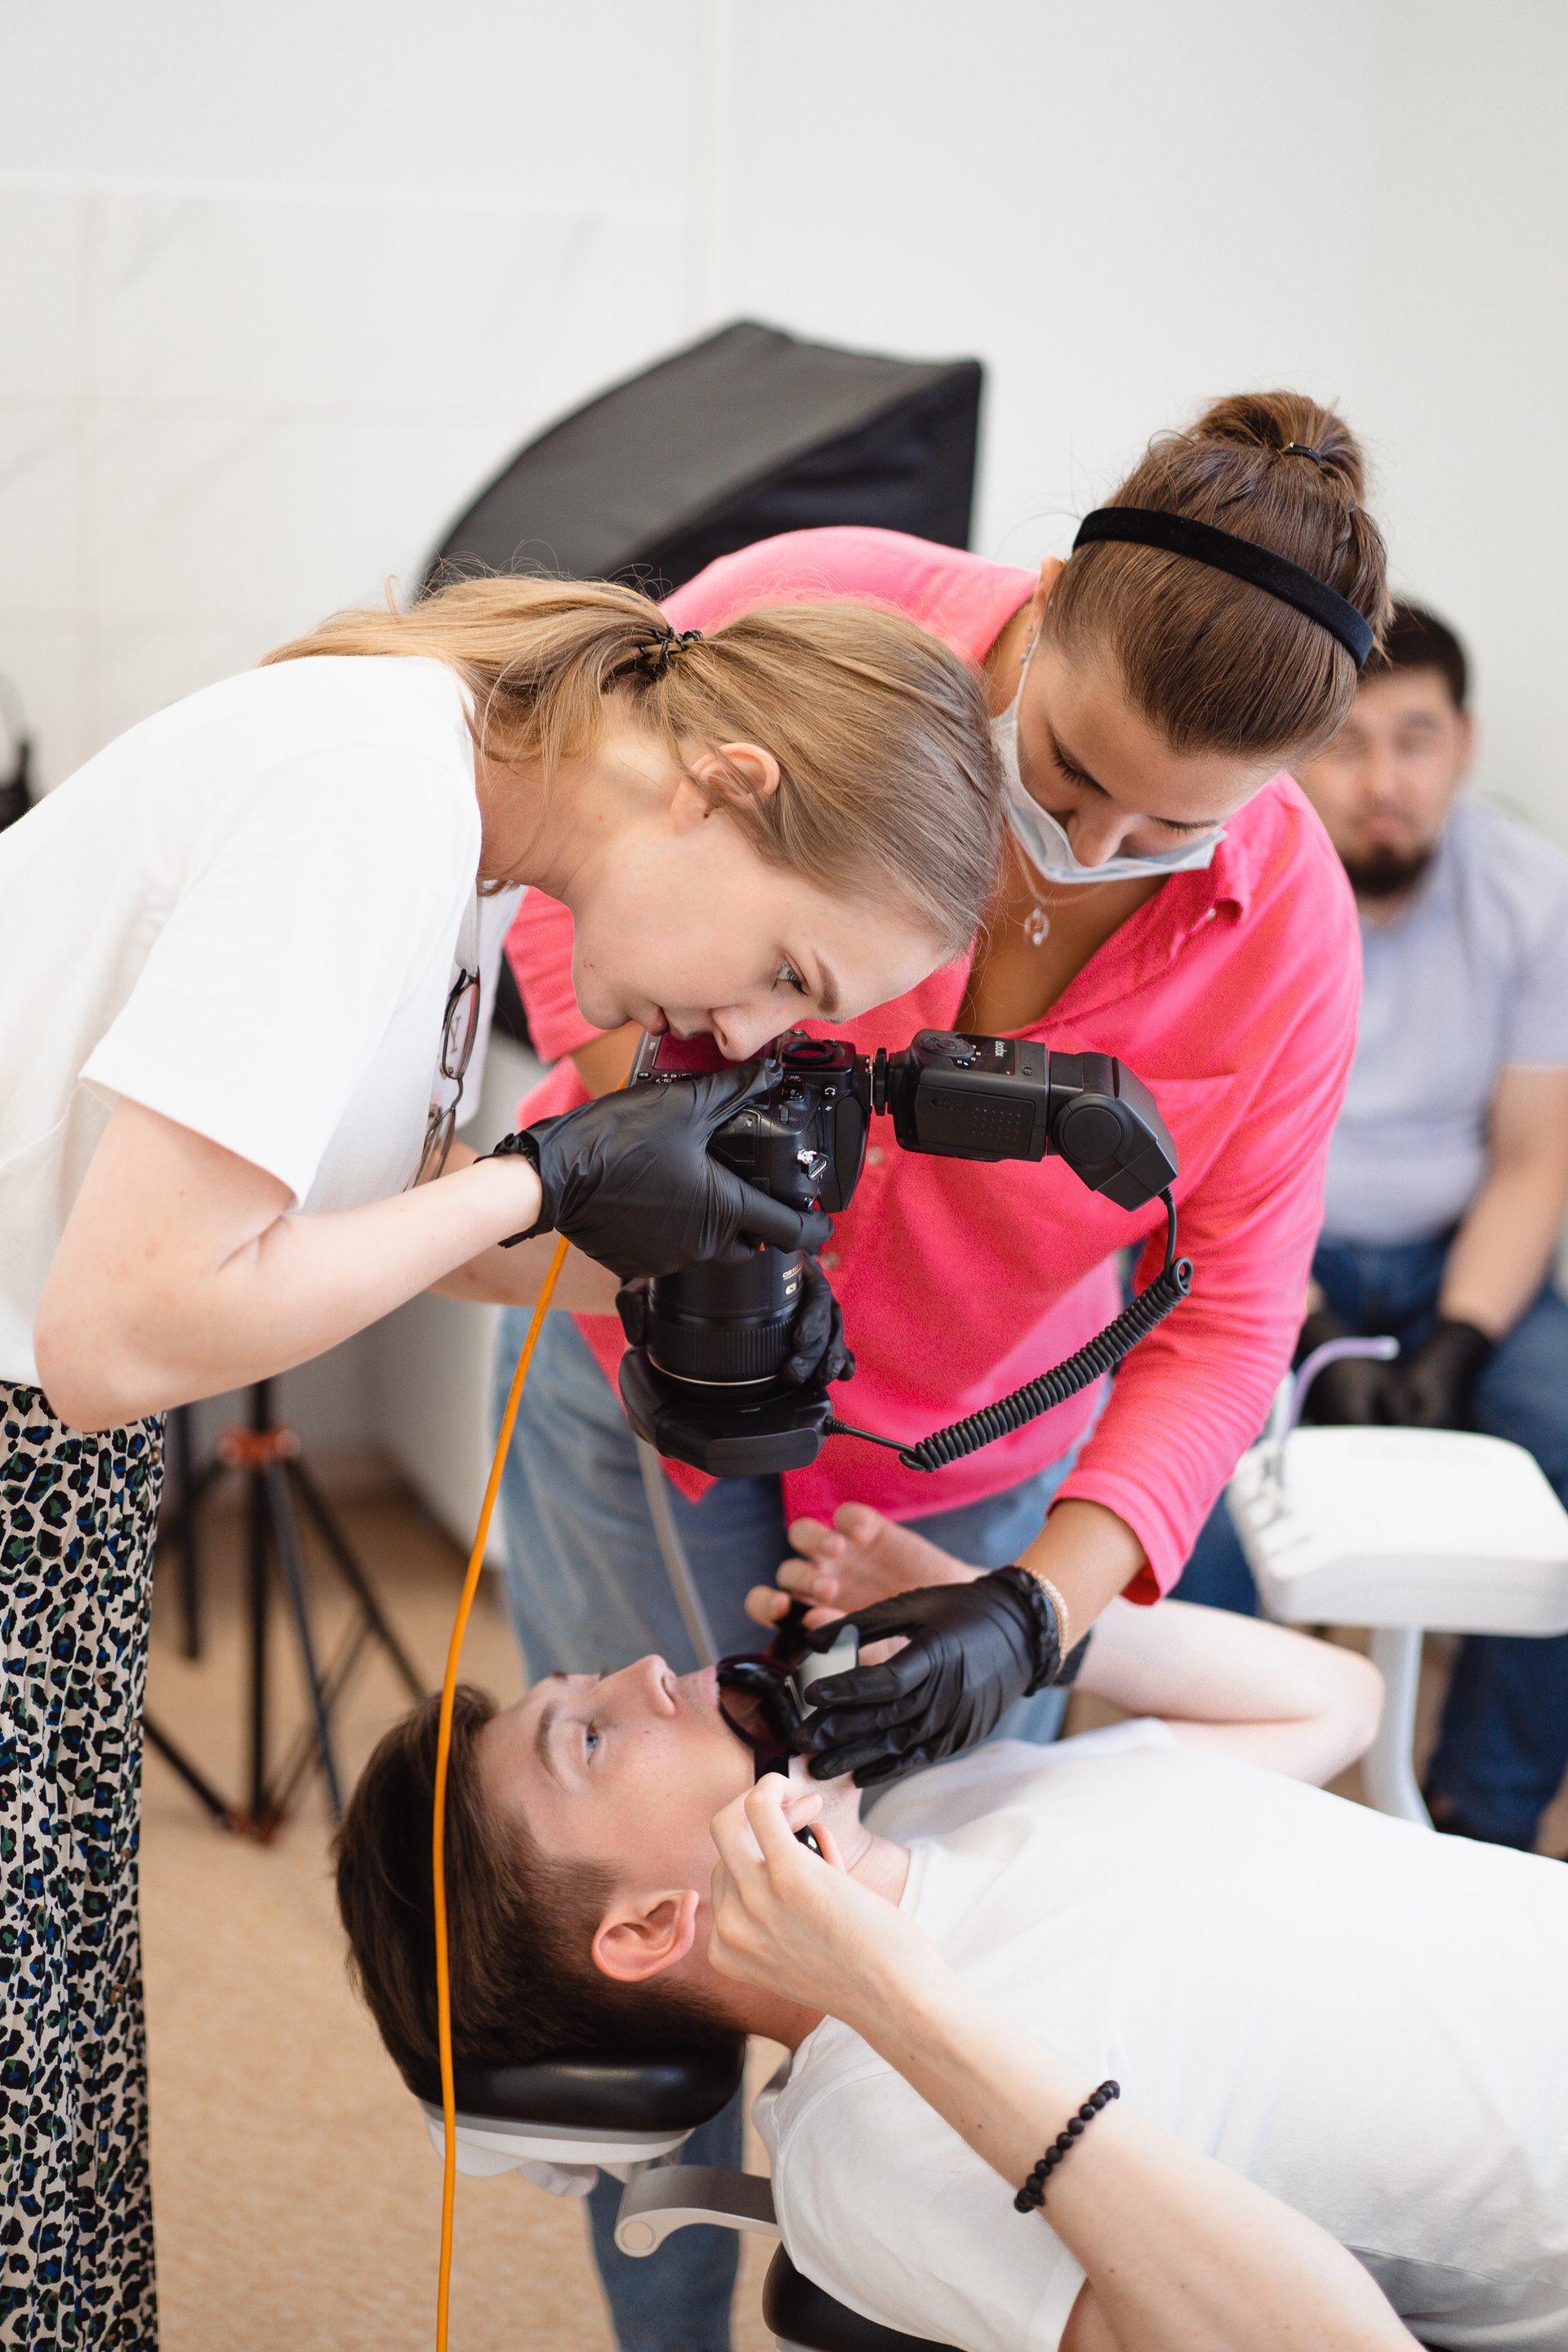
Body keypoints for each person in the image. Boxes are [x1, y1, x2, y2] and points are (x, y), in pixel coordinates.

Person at [0, 580, 1004, 2342]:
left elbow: (346, 1224)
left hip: (54, 1458)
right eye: (789, 969)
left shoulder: (456, 841)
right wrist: (546, 1178)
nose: (754, 1031)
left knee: (52, 2015)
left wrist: (655, 1242)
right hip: (47, 1417)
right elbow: (123, 1330)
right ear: (728, 785)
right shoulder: (370, 796)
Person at [491, 390, 1389, 2343]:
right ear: (1045, 605)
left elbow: (1229, 1317)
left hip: (976, 1483)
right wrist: (666, 1120)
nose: (1093, 848)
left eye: (1175, 827)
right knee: (659, 1928)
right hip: (654, 1390)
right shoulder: (818, 611)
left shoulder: (1292, 939)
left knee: (959, 1965)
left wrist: (1036, 1612)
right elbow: (575, 868)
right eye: (1066, 771)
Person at [334, 1623, 1567, 2350]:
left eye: (590, 1682)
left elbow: (1337, 1704)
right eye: (591, 1739)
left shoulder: (952, 1800)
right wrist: (900, 2005)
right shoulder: (864, 2150)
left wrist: (1034, 1625)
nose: (649, 1668)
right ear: (652, 1927)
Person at [1175, 602, 1568, 1853]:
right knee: (1201, 1476)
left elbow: (1534, 1159)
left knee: (1562, 1429)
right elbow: (1204, 1163)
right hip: (1263, 1249)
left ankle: (1484, 1818)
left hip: (1462, 1263)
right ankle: (1205, 1817)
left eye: (1415, 741)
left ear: (1465, 745)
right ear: (1297, 752)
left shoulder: (1533, 895)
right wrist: (1305, 1330)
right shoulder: (1227, 884)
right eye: (1346, 744)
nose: (1382, 781)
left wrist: (1461, 1339)